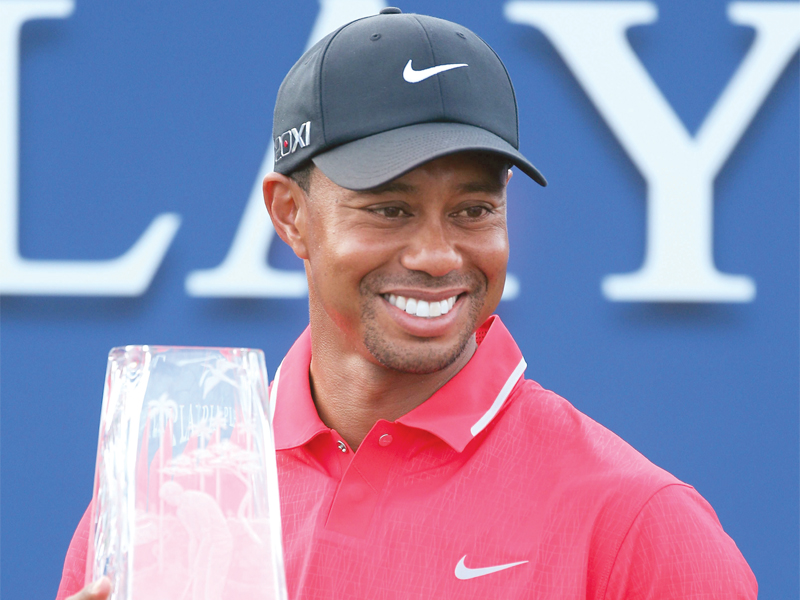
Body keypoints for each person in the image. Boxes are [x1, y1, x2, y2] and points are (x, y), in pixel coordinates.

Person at [58, 8, 757, 599]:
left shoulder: (640, 523)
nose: (437, 255)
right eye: (390, 209)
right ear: (290, 215)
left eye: (474, 208)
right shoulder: (159, 517)